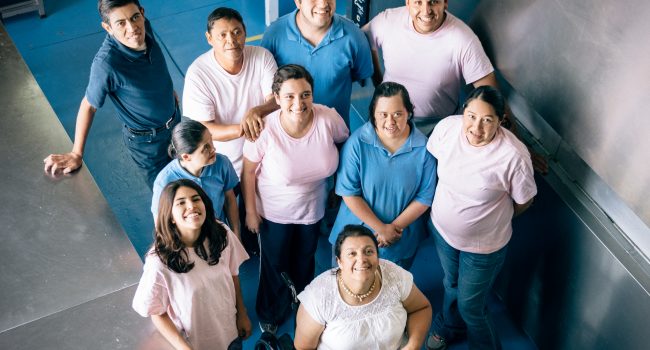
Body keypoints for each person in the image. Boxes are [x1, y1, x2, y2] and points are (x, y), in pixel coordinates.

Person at [425, 86, 537, 350]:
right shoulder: (447, 129)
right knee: (450, 283)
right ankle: (449, 327)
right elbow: (432, 163)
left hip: (484, 248)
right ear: (464, 112)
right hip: (442, 232)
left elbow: (524, 201)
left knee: (471, 306)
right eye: (472, 116)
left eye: (487, 120)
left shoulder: (513, 155)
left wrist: (491, 221)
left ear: (500, 121)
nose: (476, 127)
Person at [242, 64, 349, 333]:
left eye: (305, 94)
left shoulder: (328, 119)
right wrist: (251, 213)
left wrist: (338, 188)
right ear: (276, 99)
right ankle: (270, 311)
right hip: (274, 213)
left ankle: (303, 306)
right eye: (289, 96)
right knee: (274, 264)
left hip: (313, 210)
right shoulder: (264, 129)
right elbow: (248, 171)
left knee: (305, 260)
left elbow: (344, 144)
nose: (298, 103)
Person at [43, 0, 179, 188]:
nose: (132, 28)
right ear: (108, 27)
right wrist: (76, 153)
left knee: (192, 181)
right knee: (167, 196)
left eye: (135, 17)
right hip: (147, 143)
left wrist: (166, 91)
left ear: (142, 13)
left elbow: (154, 65)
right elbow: (88, 106)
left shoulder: (144, 27)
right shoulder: (106, 64)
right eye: (121, 23)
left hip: (176, 123)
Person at [132, 179, 251, 350]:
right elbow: (156, 312)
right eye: (181, 203)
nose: (191, 206)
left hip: (229, 333)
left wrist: (242, 313)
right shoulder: (159, 262)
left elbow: (233, 274)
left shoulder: (221, 234)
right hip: (196, 343)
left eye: (196, 199)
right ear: (170, 216)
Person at [330, 82, 436, 270]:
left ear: (409, 113)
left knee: (391, 293)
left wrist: (392, 230)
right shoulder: (357, 143)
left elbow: (424, 197)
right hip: (355, 236)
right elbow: (349, 193)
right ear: (373, 114)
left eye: (398, 114)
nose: (390, 122)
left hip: (400, 238)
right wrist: (381, 228)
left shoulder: (424, 149)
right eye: (383, 114)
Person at [363, 0, 496, 136]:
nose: (426, 11)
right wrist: (378, 83)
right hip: (388, 116)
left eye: (433, 2)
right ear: (408, 3)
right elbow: (361, 41)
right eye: (418, 2)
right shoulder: (387, 21)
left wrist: (512, 139)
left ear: (445, 2)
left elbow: (491, 95)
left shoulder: (463, 39)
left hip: (436, 127)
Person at [295, 225, 432, 350]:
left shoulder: (394, 275)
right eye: (352, 253)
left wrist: (413, 345)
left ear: (377, 257)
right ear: (339, 261)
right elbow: (303, 347)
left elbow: (421, 308)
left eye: (368, 251)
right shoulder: (319, 296)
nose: (361, 259)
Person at [183, 7, 278, 175]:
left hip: (265, 159)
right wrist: (243, 128)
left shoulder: (262, 56)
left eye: (236, 32)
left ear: (245, 32)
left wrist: (257, 111)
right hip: (223, 166)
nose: (231, 40)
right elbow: (203, 128)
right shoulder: (198, 73)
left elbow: (275, 100)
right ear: (209, 38)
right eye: (223, 35)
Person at [260, 0, 373, 129]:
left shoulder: (354, 37)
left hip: (334, 135)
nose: (323, 4)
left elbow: (358, 74)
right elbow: (266, 85)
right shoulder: (274, 35)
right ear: (298, 2)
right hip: (287, 137)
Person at [151, 120, 239, 238]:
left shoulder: (222, 163)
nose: (213, 149)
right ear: (186, 157)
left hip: (219, 234)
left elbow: (230, 199)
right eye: (205, 148)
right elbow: (160, 224)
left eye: (211, 141)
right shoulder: (164, 181)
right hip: (187, 241)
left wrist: (236, 235)